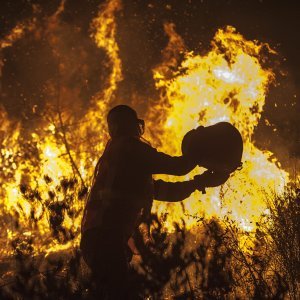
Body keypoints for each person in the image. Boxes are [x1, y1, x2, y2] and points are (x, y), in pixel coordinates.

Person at [80, 105, 229, 299]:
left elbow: (166, 191)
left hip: (100, 240)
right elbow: (178, 167)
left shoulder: (122, 164)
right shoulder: (129, 148)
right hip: (106, 238)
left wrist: (198, 183)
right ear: (130, 126)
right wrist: (200, 150)